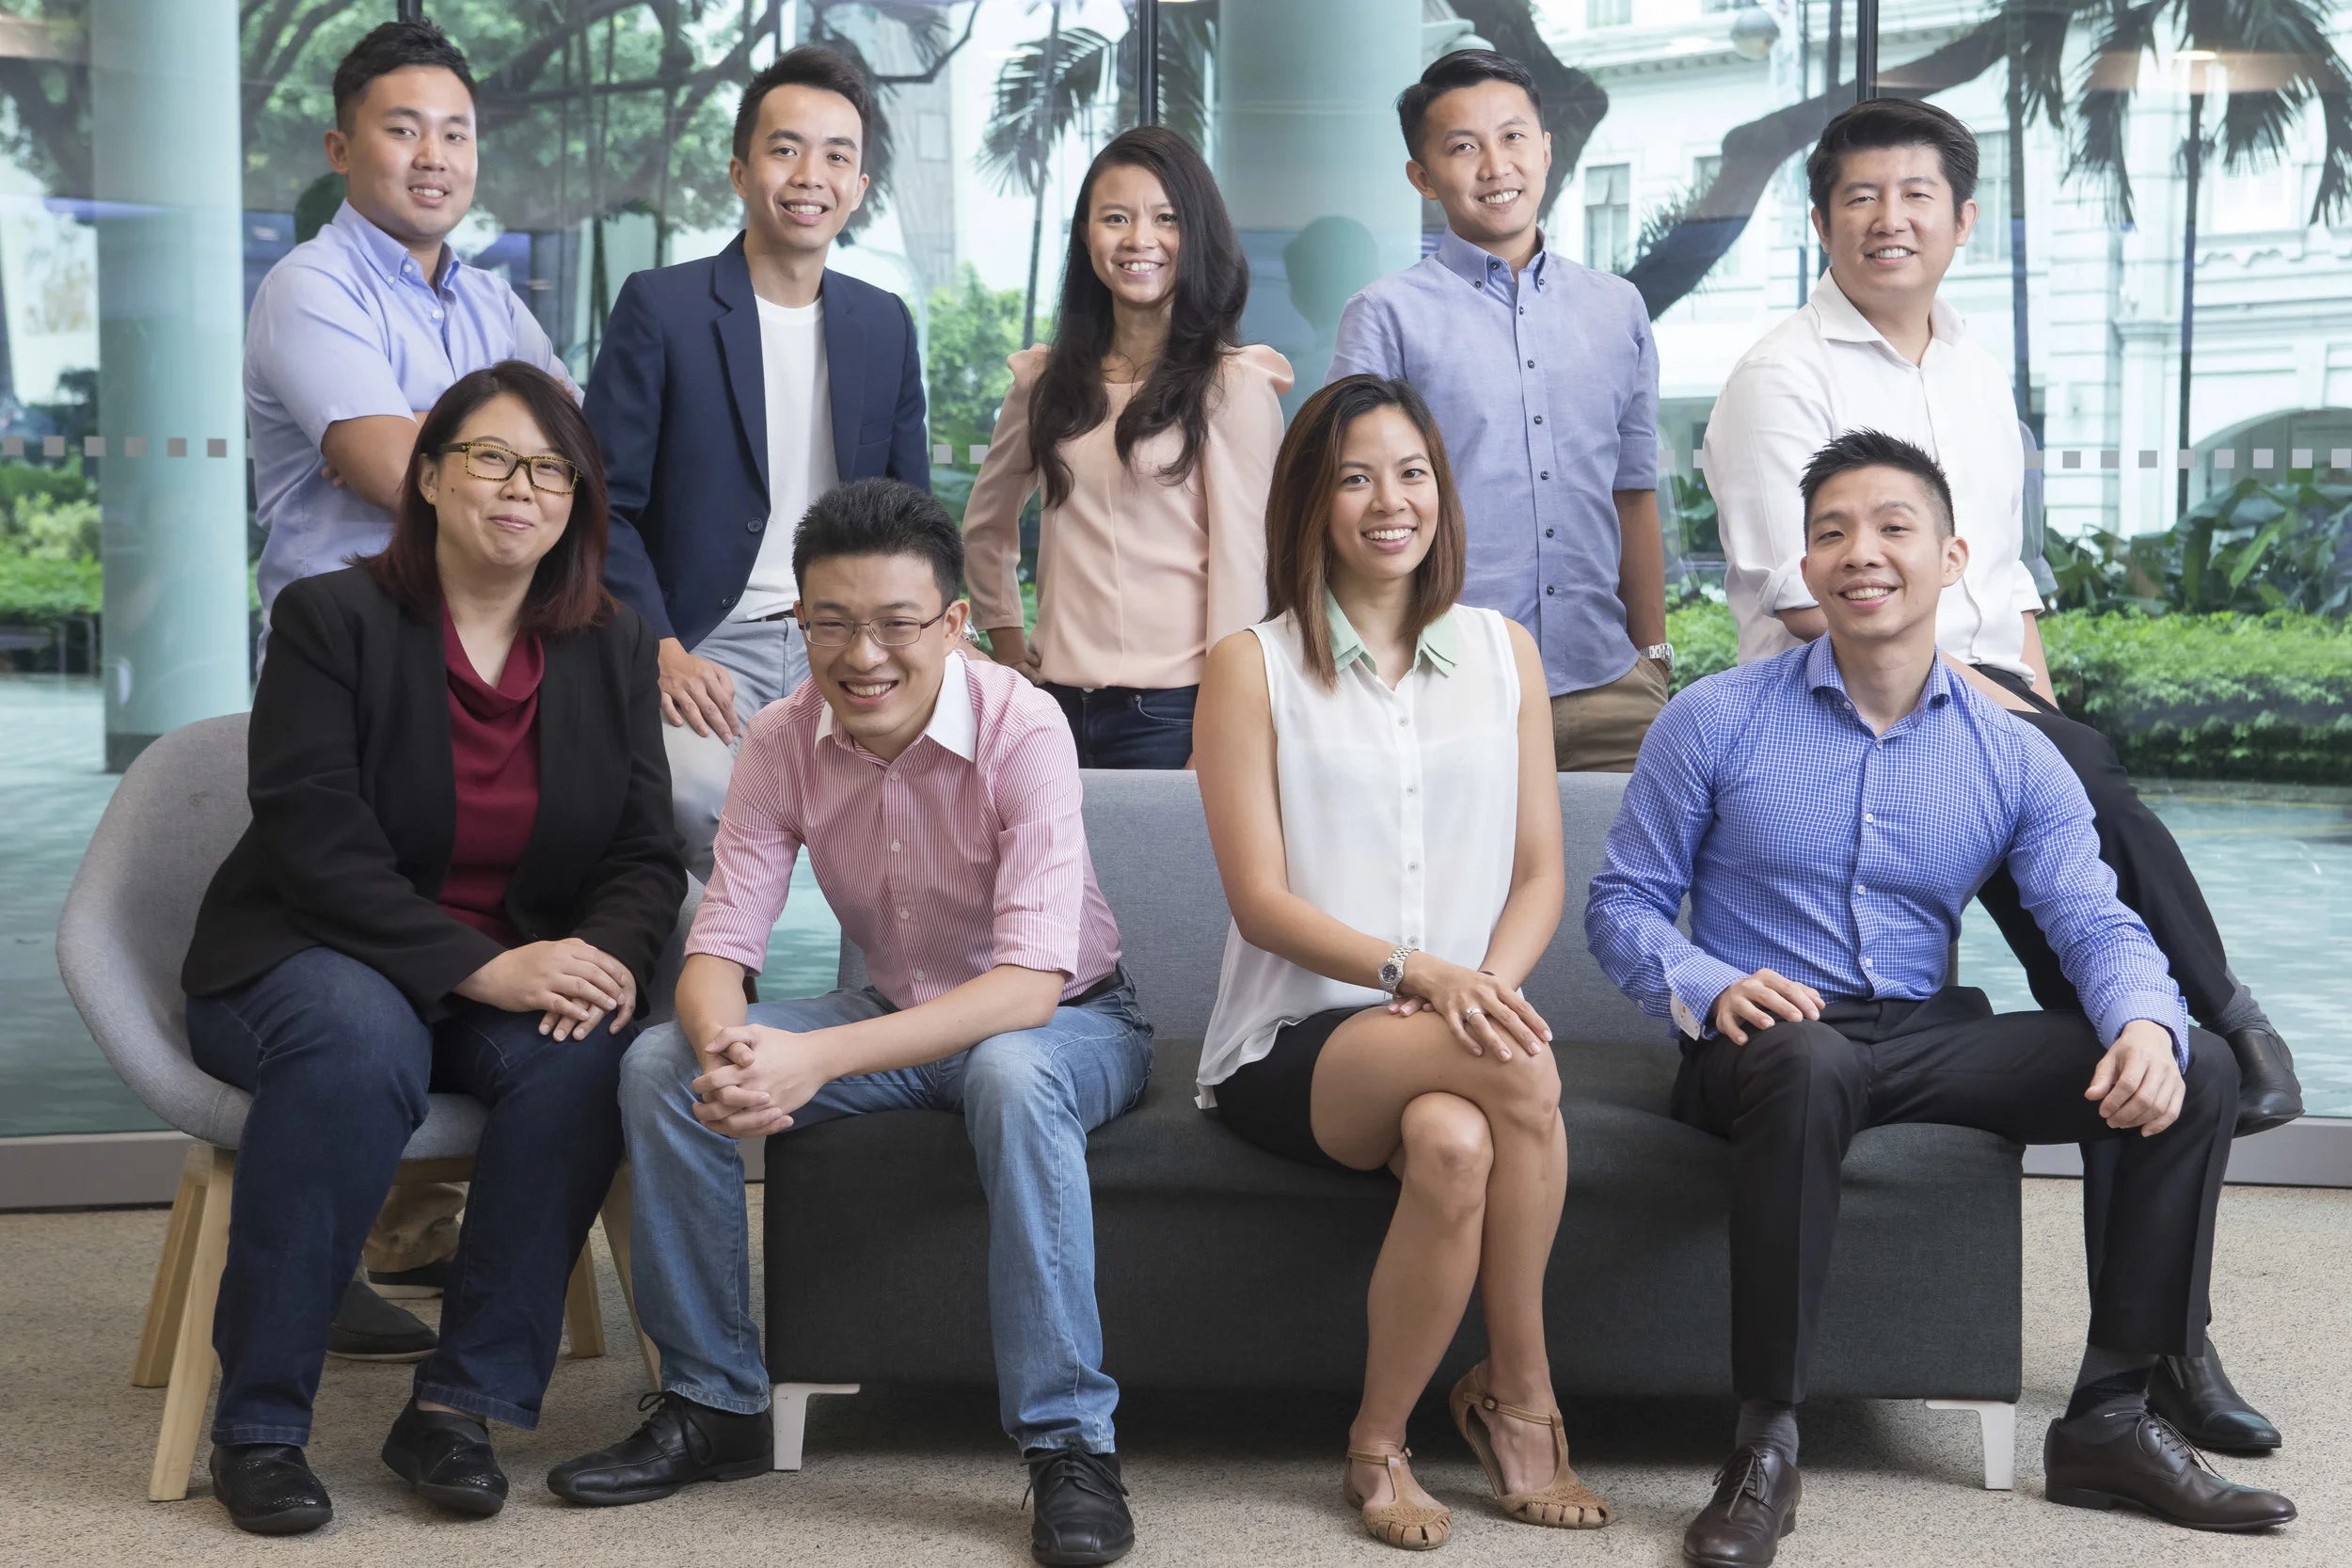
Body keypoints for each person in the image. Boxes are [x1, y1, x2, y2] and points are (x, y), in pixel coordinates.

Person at [1699, 97, 2297, 1452]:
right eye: (1860, 197)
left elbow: (2005, 582)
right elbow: (1810, 596)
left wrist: (2034, 717)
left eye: (1916, 195)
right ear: (1821, 221)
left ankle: (2163, 1345)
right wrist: (2020, 732)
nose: (1889, 219)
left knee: (2125, 1021)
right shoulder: (1778, 377)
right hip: (1842, 709)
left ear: (1962, 219)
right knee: (2101, 819)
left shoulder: (1973, 368)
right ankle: (2230, 1020)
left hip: (1978, 703)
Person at [1587, 432, 2296, 1566]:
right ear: (1805, 566)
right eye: (1831, 532)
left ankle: (2109, 1417)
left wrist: (2144, 1022)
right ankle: (1764, 1443)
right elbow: (1621, 901)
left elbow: (2092, 917)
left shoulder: (2012, 754)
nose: (1860, 552)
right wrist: (1708, 984)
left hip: (1920, 1036)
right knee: (1809, 1055)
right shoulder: (1715, 718)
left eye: (1892, 527)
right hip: (1762, 1041)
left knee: (2198, 1062)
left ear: (1952, 558)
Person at [550, 480, 1152, 1568]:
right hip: (896, 1009)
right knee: (659, 1061)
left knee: (1011, 1073)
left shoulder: (1023, 723)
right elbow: (720, 947)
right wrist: (732, 1048)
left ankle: (1070, 1443)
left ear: (954, 623)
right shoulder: (780, 736)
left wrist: (812, 1059)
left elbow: (1025, 988)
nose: (861, 654)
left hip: (1068, 1020)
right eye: (830, 623)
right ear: (801, 624)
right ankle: (713, 1401)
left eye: (894, 623)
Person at [179, 362, 685, 1537]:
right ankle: (259, 1424)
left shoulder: (613, 643)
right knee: (360, 1046)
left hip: (503, 972)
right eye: (491, 458)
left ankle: (458, 1409)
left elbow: (642, 851)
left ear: (577, 500)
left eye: (551, 469)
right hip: (308, 953)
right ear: (428, 477)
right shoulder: (330, 619)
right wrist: (481, 966)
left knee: (586, 1055)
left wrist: (599, 956)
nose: (521, 488)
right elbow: (314, 839)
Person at [1194, 375, 1605, 1550]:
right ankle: (1522, 1400)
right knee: (1521, 1074)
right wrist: (1429, 977)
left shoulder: (1502, 652)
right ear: (1310, 502)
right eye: (1356, 477)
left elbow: (1539, 873)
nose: (1391, 501)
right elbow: (1261, 904)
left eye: (1412, 473)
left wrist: (1485, 989)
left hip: (1460, 1029)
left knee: (1456, 1139)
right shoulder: (1251, 664)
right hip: (1297, 1039)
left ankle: (1378, 1443)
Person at [244, 18, 579, 1338]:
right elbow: (400, 471)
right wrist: (528, 487)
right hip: (360, 678)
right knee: (356, 976)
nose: (434, 155)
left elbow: (572, 471)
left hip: (497, 668)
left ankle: (447, 1240)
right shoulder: (311, 287)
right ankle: (319, 1269)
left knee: (579, 925)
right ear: (342, 148)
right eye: (402, 128)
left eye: (455, 131)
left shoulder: (493, 302)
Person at [589, 45, 928, 880]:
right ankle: (718, 968)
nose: (811, 176)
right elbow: (604, 507)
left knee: (921, 804)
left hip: (847, 638)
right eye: (785, 149)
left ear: (860, 186)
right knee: (699, 800)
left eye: (837, 156)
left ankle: (883, 969)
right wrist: (661, 646)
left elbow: (911, 517)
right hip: (706, 641)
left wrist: (925, 637)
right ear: (741, 171)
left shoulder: (883, 323)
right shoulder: (661, 308)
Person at [1329, 49, 1671, 772]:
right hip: (1448, 686)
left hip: (1613, 690)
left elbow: (1633, 492)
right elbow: (1348, 505)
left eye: (1513, 137)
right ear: (1423, 178)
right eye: (1463, 147)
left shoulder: (1618, 309)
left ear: (1545, 150)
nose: (1495, 165)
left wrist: (1653, 657)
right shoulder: (1385, 316)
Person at [962, 126, 1291, 769]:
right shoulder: (1044, 381)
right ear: (1087, 234)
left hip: (1175, 714)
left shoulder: (1233, 386)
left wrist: (1222, 725)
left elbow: (1246, 569)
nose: (1140, 239)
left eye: (1166, 219)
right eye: (1116, 218)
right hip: (1052, 707)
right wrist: (1006, 643)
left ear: (1198, 235)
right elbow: (985, 525)